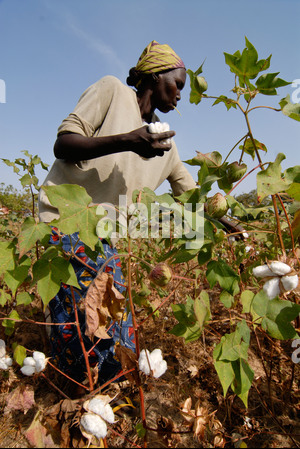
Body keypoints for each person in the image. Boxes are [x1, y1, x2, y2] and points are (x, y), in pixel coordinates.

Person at [38, 40, 240, 385]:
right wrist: (128, 140)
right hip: (65, 224)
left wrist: (233, 224)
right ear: (153, 76)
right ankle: (75, 389)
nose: (178, 95)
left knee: (118, 333)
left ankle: (110, 393)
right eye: (176, 84)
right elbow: (63, 144)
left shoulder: (167, 146)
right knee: (86, 332)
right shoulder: (112, 90)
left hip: (107, 242)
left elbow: (193, 196)